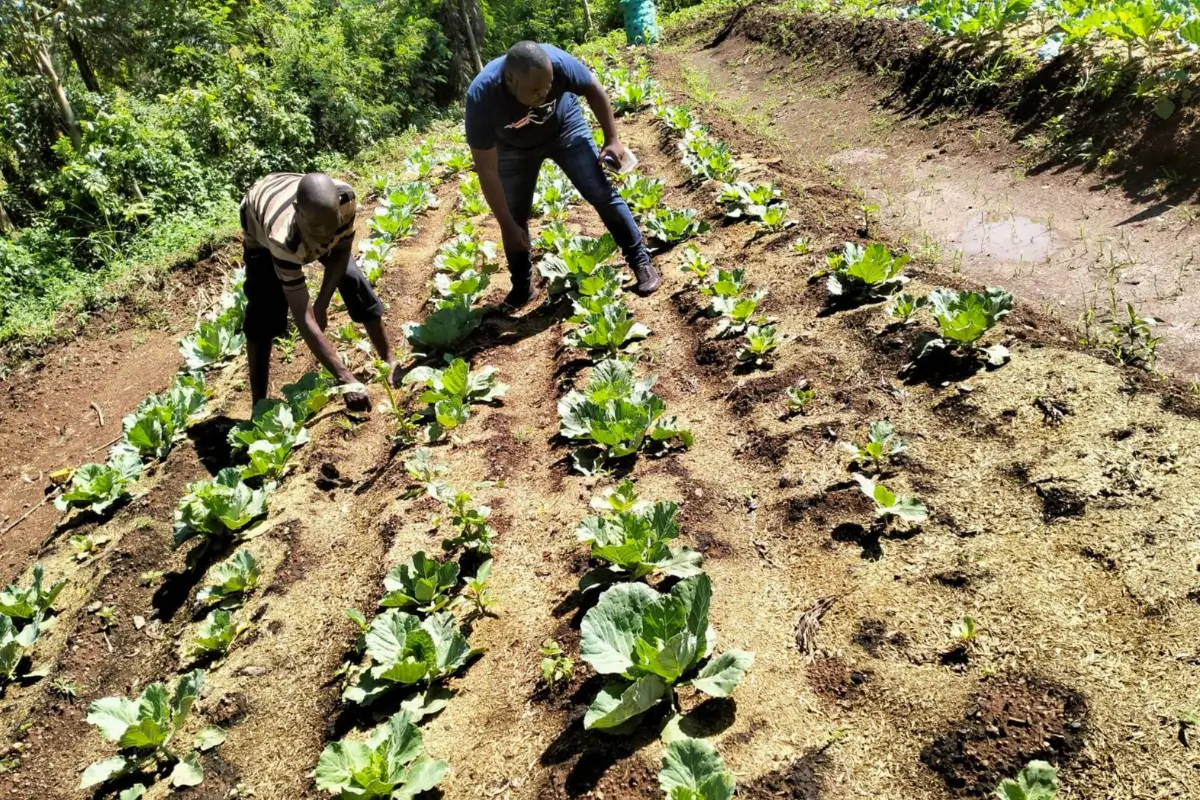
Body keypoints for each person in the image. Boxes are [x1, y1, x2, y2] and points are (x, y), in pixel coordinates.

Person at [465, 40, 661, 309]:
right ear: (510, 80)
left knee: (600, 192)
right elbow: (486, 170)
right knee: (514, 217)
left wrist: (612, 138)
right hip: (513, 149)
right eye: (535, 90)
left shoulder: (558, 62)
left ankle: (640, 260)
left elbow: (594, 89)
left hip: (566, 129)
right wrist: (507, 225)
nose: (544, 93)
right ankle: (522, 288)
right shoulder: (482, 96)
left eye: (548, 85)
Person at [239, 171, 400, 412]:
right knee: (265, 309)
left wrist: (322, 303)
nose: (325, 233)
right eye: (316, 226)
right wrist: (345, 379)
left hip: (299, 204)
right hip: (258, 221)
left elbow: (341, 252)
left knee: (353, 278)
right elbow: (303, 317)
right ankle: (258, 404)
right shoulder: (282, 239)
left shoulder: (345, 199)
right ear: (298, 210)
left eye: (330, 223)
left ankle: (389, 357)